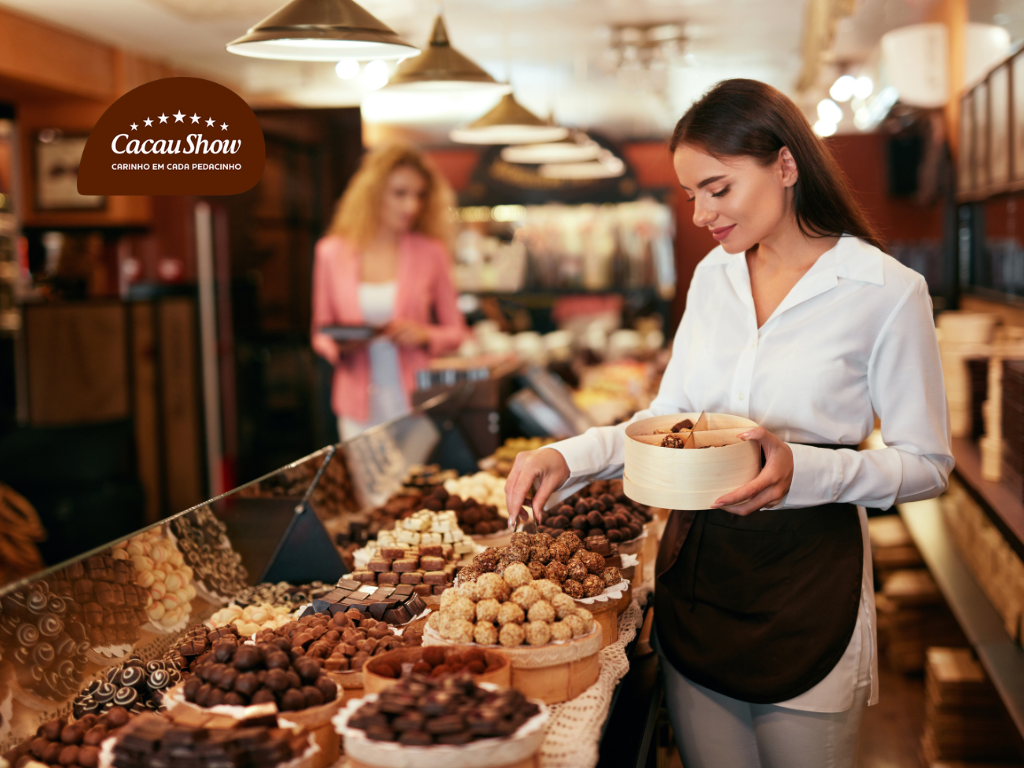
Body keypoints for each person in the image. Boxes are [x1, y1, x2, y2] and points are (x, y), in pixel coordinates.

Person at [505, 79, 952, 768]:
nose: (701, 214)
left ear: (784, 165)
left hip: (810, 584)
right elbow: (668, 419)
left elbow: (926, 464)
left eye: (718, 189)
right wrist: (573, 456)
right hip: (700, 574)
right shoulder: (714, 277)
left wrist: (801, 468)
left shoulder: (887, 293)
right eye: (691, 196)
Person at [312, 144, 468, 440]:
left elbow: (456, 332)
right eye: (400, 193)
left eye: (419, 195)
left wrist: (424, 334)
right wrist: (341, 346)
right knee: (370, 487)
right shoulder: (331, 253)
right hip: (356, 405)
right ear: (373, 194)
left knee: (415, 486)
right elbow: (320, 332)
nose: (412, 206)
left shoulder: (430, 252)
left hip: (415, 404)